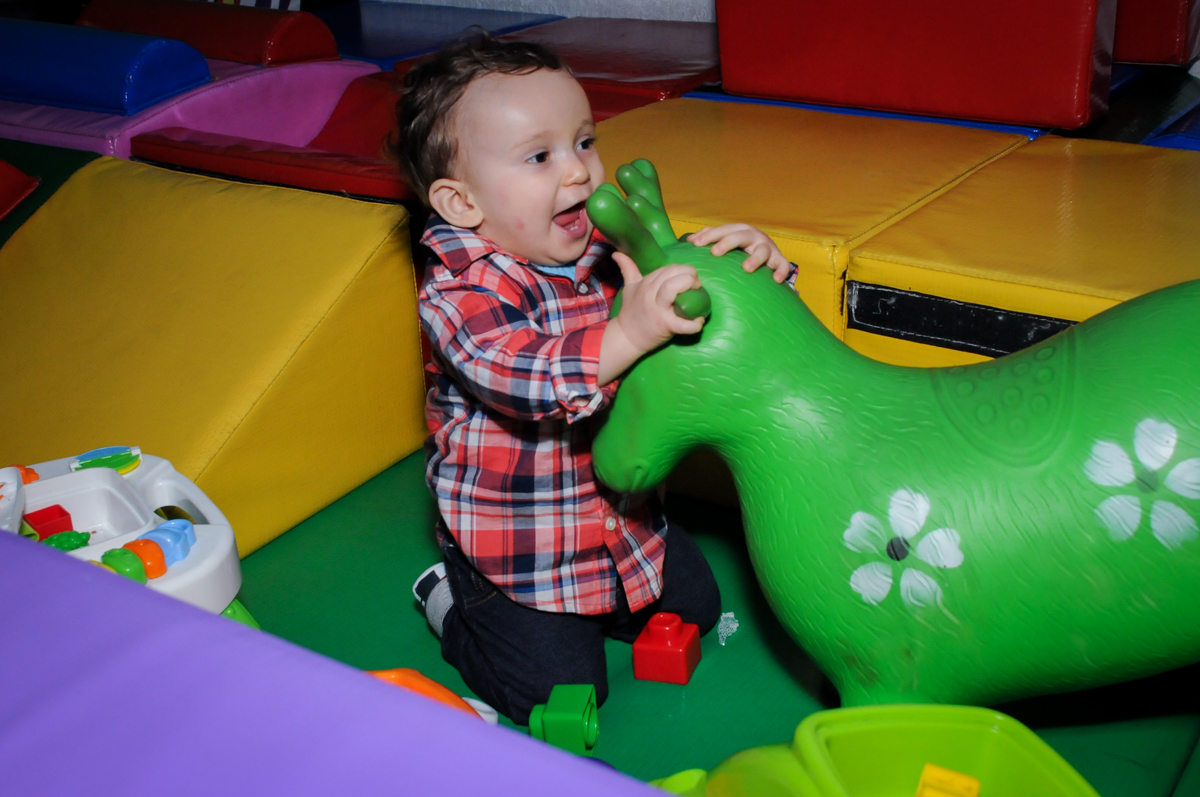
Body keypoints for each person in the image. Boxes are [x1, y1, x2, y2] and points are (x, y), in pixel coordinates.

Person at [391, 33, 795, 724]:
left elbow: (680, 283)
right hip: (520, 550)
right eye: (540, 156)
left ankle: (605, 596)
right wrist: (629, 331)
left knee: (697, 607)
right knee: (555, 691)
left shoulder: (601, 245)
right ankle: (451, 600)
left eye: (584, 141)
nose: (579, 173)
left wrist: (750, 265)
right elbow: (525, 377)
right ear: (462, 204)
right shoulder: (458, 294)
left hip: (625, 522)